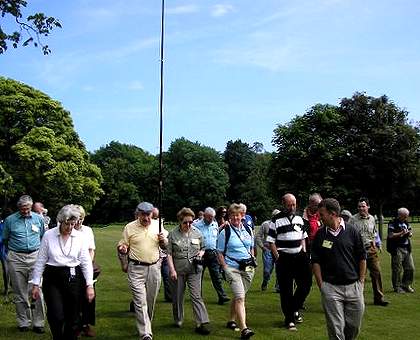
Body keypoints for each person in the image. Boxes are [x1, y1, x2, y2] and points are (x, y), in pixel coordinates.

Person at [31, 204, 95, 340]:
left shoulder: (80, 237)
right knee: (56, 315)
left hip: (73, 277)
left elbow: (85, 262)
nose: (70, 228)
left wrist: (89, 285)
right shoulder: (49, 235)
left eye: (73, 224)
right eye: (67, 224)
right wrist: (36, 284)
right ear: (60, 221)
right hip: (52, 278)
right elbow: (41, 260)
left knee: (73, 316)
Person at [312, 198, 366, 340]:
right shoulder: (320, 235)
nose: (320, 217)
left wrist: (361, 282)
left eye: (322, 214)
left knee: (354, 326)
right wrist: (321, 284)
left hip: (353, 287)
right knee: (336, 329)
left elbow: (362, 257)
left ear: (333, 214)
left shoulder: (352, 231)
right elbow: (315, 261)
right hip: (331, 288)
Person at [118, 202, 168, 340]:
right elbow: (123, 245)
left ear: (152, 214)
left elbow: (166, 248)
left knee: (150, 300)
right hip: (136, 268)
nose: (146, 218)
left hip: (154, 267)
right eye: (143, 215)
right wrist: (123, 249)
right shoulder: (129, 227)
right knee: (140, 302)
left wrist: (163, 241)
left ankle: (147, 325)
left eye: (148, 214)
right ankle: (145, 333)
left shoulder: (158, 226)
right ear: (138, 214)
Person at [267, 193, 312, 331]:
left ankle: (293, 308)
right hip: (284, 257)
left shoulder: (299, 218)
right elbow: (271, 241)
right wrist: (278, 257)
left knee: (306, 284)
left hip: (299, 256)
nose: (292, 207)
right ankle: (289, 319)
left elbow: (303, 236)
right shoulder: (276, 220)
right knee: (286, 290)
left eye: (294, 204)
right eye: (289, 204)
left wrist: (303, 251)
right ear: (283, 204)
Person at [2, 195, 46, 333]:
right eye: (22, 209)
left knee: (37, 290)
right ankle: (24, 322)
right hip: (16, 257)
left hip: (35, 256)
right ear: (18, 208)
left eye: (27, 208)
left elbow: (42, 237)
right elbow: (5, 238)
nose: (25, 211)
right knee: (19, 292)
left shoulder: (38, 218)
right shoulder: (10, 220)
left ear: (31, 206)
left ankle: (39, 322)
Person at [167, 207, 211, 335]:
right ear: (180, 221)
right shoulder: (173, 234)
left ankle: (201, 322)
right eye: (185, 222)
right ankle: (178, 319)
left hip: (194, 269)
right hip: (178, 269)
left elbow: (203, 247)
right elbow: (169, 254)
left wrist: (200, 254)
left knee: (196, 295)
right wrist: (172, 270)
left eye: (190, 222)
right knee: (178, 296)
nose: (188, 225)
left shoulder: (197, 232)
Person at [217, 203, 256, 340]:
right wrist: (225, 267)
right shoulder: (225, 232)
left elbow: (251, 247)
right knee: (240, 297)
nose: (235, 218)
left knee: (239, 294)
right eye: (232, 215)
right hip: (232, 267)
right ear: (229, 216)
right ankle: (244, 328)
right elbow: (219, 252)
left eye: (238, 215)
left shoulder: (248, 229)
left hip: (248, 268)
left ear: (242, 216)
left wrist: (252, 257)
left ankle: (231, 320)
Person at [348, 198, 388, 306]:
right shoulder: (352, 220)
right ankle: (357, 300)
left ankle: (379, 299)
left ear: (368, 207)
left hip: (371, 250)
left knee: (377, 273)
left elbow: (374, 232)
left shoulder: (372, 219)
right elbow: (349, 235)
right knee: (359, 276)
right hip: (358, 252)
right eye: (359, 206)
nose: (361, 208)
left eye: (363, 206)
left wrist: (377, 243)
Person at [194, 207, 230, 305]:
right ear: (204, 216)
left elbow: (216, 237)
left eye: (212, 217)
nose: (211, 220)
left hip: (213, 253)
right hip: (201, 253)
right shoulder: (196, 225)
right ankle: (198, 297)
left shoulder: (214, 224)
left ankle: (222, 296)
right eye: (209, 217)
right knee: (199, 276)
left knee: (216, 276)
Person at [74, 205, 97, 337]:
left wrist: (87, 265)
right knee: (74, 297)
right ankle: (75, 325)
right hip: (71, 267)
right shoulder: (68, 229)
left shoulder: (87, 230)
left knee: (89, 297)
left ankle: (86, 324)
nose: (79, 222)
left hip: (86, 267)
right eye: (77, 218)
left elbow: (91, 249)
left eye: (81, 218)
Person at [387, 207, 415, 293]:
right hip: (397, 248)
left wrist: (409, 233)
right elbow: (390, 235)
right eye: (405, 216)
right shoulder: (392, 222)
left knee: (410, 268)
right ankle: (397, 287)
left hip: (407, 248)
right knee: (397, 269)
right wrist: (401, 233)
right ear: (400, 215)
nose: (406, 218)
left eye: (407, 216)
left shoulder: (406, 222)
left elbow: (410, 232)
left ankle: (406, 285)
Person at [256, 209, 280, 291]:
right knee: (267, 270)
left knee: (279, 269)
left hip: (278, 250)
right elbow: (258, 236)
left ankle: (278, 287)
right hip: (268, 250)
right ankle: (265, 282)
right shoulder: (265, 224)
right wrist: (262, 247)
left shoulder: (282, 225)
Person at [152, 207, 171, 302]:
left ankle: (169, 296)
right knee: (153, 280)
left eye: (157, 217)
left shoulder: (160, 225)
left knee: (167, 276)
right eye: (154, 217)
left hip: (164, 256)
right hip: (154, 258)